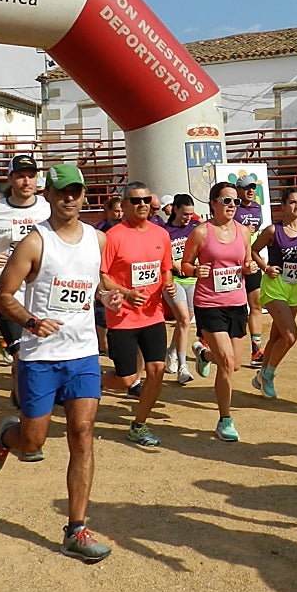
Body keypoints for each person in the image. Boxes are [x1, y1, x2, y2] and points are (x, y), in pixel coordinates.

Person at [0, 164, 118, 563]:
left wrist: (109, 295)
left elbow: (95, 282)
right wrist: (31, 321)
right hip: (41, 357)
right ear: (49, 196)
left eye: (76, 191)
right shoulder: (34, 242)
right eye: (62, 192)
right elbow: (3, 296)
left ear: (84, 195)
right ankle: (9, 437)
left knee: (83, 434)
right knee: (34, 441)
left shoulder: (97, 239)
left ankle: (76, 529)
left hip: (83, 354)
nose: (69, 199)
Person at [99, 181, 177, 446]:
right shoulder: (114, 236)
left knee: (157, 370)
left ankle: (139, 425)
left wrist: (168, 284)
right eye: (135, 200)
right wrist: (127, 293)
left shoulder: (160, 234)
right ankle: (90, 381)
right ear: (124, 204)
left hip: (153, 314)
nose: (142, 204)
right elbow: (103, 277)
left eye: (146, 200)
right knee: (126, 379)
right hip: (123, 316)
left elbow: (165, 268)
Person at [181, 181, 258, 442]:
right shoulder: (202, 232)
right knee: (225, 360)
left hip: (236, 303)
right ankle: (225, 419)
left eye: (235, 201)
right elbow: (185, 264)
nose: (232, 205)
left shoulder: (243, 231)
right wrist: (196, 270)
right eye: (226, 200)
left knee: (234, 364)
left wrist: (249, 268)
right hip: (209, 303)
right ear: (213, 203)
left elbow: (247, 260)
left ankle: (203, 354)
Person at [0, 155, 51, 370]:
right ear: (10, 179)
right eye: (20, 176)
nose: (26, 181)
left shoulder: (48, 208)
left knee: (39, 352)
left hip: (41, 292)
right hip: (7, 292)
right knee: (19, 355)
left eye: (31, 176)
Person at [250, 188, 297, 399]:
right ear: (283, 206)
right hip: (275, 286)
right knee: (290, 336)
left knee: (277, 336)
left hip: (295, 286)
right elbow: (253, 250)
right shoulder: (273, 230)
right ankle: (268, 375)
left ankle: (260, 377)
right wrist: (266, 268)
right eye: (292, 202)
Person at [162, 193, 198, 385]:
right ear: (175, 209)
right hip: (173, 279)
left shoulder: (196, 227)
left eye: (191, 214)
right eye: (185, 214)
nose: (188, 218)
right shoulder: (165, 231)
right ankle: (183, 367)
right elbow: (160, 256)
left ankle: (172, 350)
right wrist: (174, 264)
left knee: (186, 319)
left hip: (192, 280)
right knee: (183, 319)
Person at [234, 175, 267, 364]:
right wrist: (242, 231)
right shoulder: (232, 207)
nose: (250, 190)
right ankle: (207, 341)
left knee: (256, 305)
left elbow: (257, 234)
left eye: (253, 187)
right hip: (232, 264)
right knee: (231, 307)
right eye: (246, 187)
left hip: (251, 262)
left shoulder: (257, 207)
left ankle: (256, 351)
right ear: (238, 190)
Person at [93, 196, 123, 357]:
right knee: (102, 312)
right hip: (103, 274)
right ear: (108, 211)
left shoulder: (124, 227)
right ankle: (103, 345)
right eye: (116, 211)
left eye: (121, 211)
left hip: (119, 275)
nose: (119, 214)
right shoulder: (101, 229)